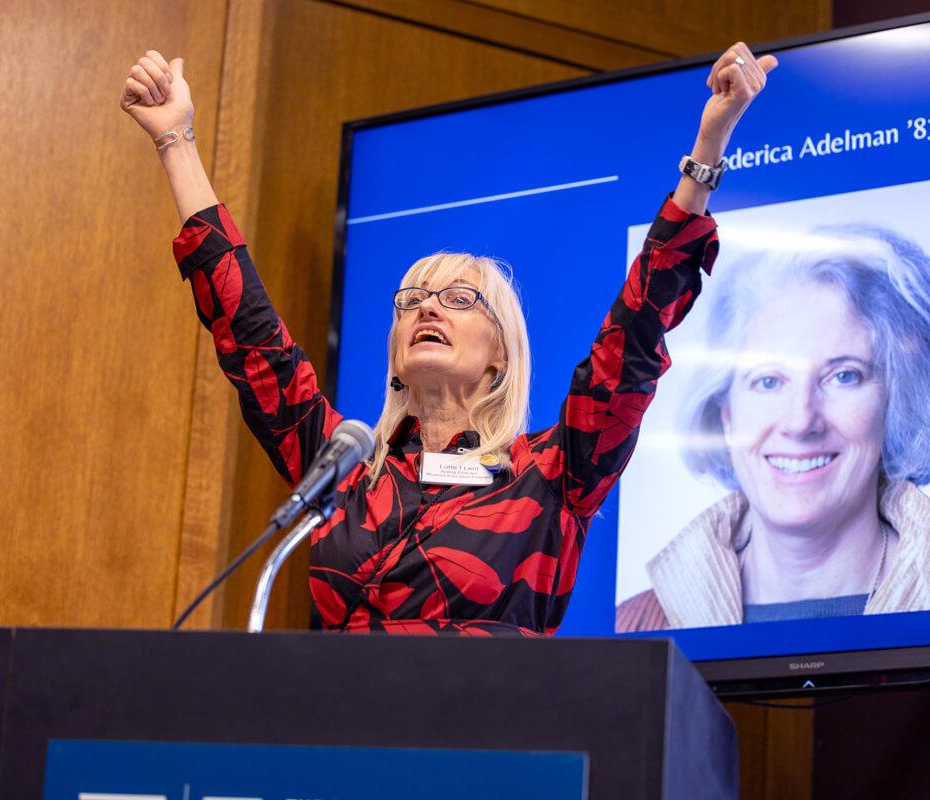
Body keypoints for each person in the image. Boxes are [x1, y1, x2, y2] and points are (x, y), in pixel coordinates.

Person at [122, 45, 776, 635]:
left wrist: (708, 146)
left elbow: (633, 338)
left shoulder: (554, 473)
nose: (428, 307)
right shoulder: (342, 471)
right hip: (337, 727)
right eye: (412, 300)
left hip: (486, 730)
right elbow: (250, 334)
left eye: (459, 300)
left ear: (501, 354)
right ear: (396, 352)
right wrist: (176, 140)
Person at [616, 225, 930, 632]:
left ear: (897, 402)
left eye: (843, 376)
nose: (801, 421)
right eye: (768, 381)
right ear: (726, 416)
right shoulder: (633, 626)